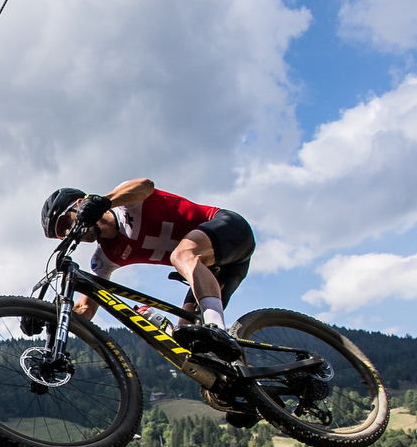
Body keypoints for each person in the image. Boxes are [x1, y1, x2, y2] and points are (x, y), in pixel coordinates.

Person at [39, 179, 259, 422]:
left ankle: (218, 329)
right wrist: (49, 317)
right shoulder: (104, 258)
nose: (68, 233)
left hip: (230, 230)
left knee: (182, 255)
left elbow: (145, 185)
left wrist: (103, 201)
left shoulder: (126, 204)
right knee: (187, 339)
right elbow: (84, 308)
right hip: (213, 267)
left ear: (79, 205)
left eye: (64, 224)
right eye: (61, 235)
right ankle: (253, 396)